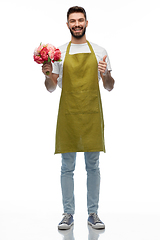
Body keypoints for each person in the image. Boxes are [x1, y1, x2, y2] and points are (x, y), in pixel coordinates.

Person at [42, 6, 115, 230]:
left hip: (92, 114)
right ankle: (68, 213)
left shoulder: (101, 51)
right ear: (67, 24)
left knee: (93, 165)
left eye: (80, 20)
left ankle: (93, 213)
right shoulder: (58, 53)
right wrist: (47, 74)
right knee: (67, 166)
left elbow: (110, 87)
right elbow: (51, 88)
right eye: (72, 21)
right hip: (69, 114)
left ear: (86, 23)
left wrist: (106, 74)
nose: (76, 24)